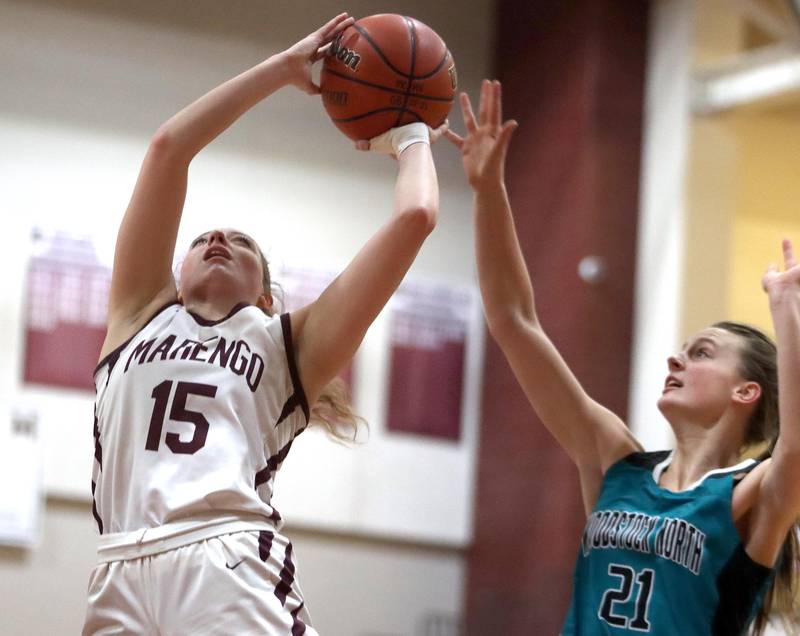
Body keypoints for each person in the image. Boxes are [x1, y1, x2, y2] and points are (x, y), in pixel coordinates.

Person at [84, 13, 445, 635]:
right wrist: (281, 71)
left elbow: (415, 216)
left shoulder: (287, 346)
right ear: (176, 267)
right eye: (202, 238)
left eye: (241, 242)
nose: (218, 238)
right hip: (118, 565)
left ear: (267, 293)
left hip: (224, 557)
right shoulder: (137, 314)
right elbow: (170, 147)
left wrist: (412, 136)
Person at [446, 79, 799, 634]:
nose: (675, 362)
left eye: (700, 353)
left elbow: (796, 452)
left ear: (745, 391)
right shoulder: (616, 461)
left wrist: (786, 309)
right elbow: (514, 322)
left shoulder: (747, 493)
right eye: (681, 352)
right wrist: (489, 190)